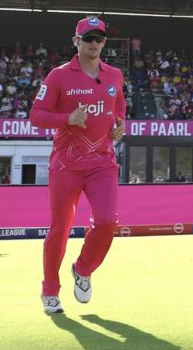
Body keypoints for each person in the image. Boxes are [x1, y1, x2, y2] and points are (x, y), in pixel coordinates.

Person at [30, 17, 126, 315]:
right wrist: (67, 119)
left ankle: (82, 269)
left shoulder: (114, 75)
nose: (93, 43)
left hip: (102, 163)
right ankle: (49, 290)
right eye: (88, 38)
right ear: (76, 41)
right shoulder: (58, 76)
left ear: (104, 43)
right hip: (66, 165)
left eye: (98, 38)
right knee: (60, 229)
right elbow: (36, 115)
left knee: (108, 222)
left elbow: (118, 104)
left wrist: (120, 124)